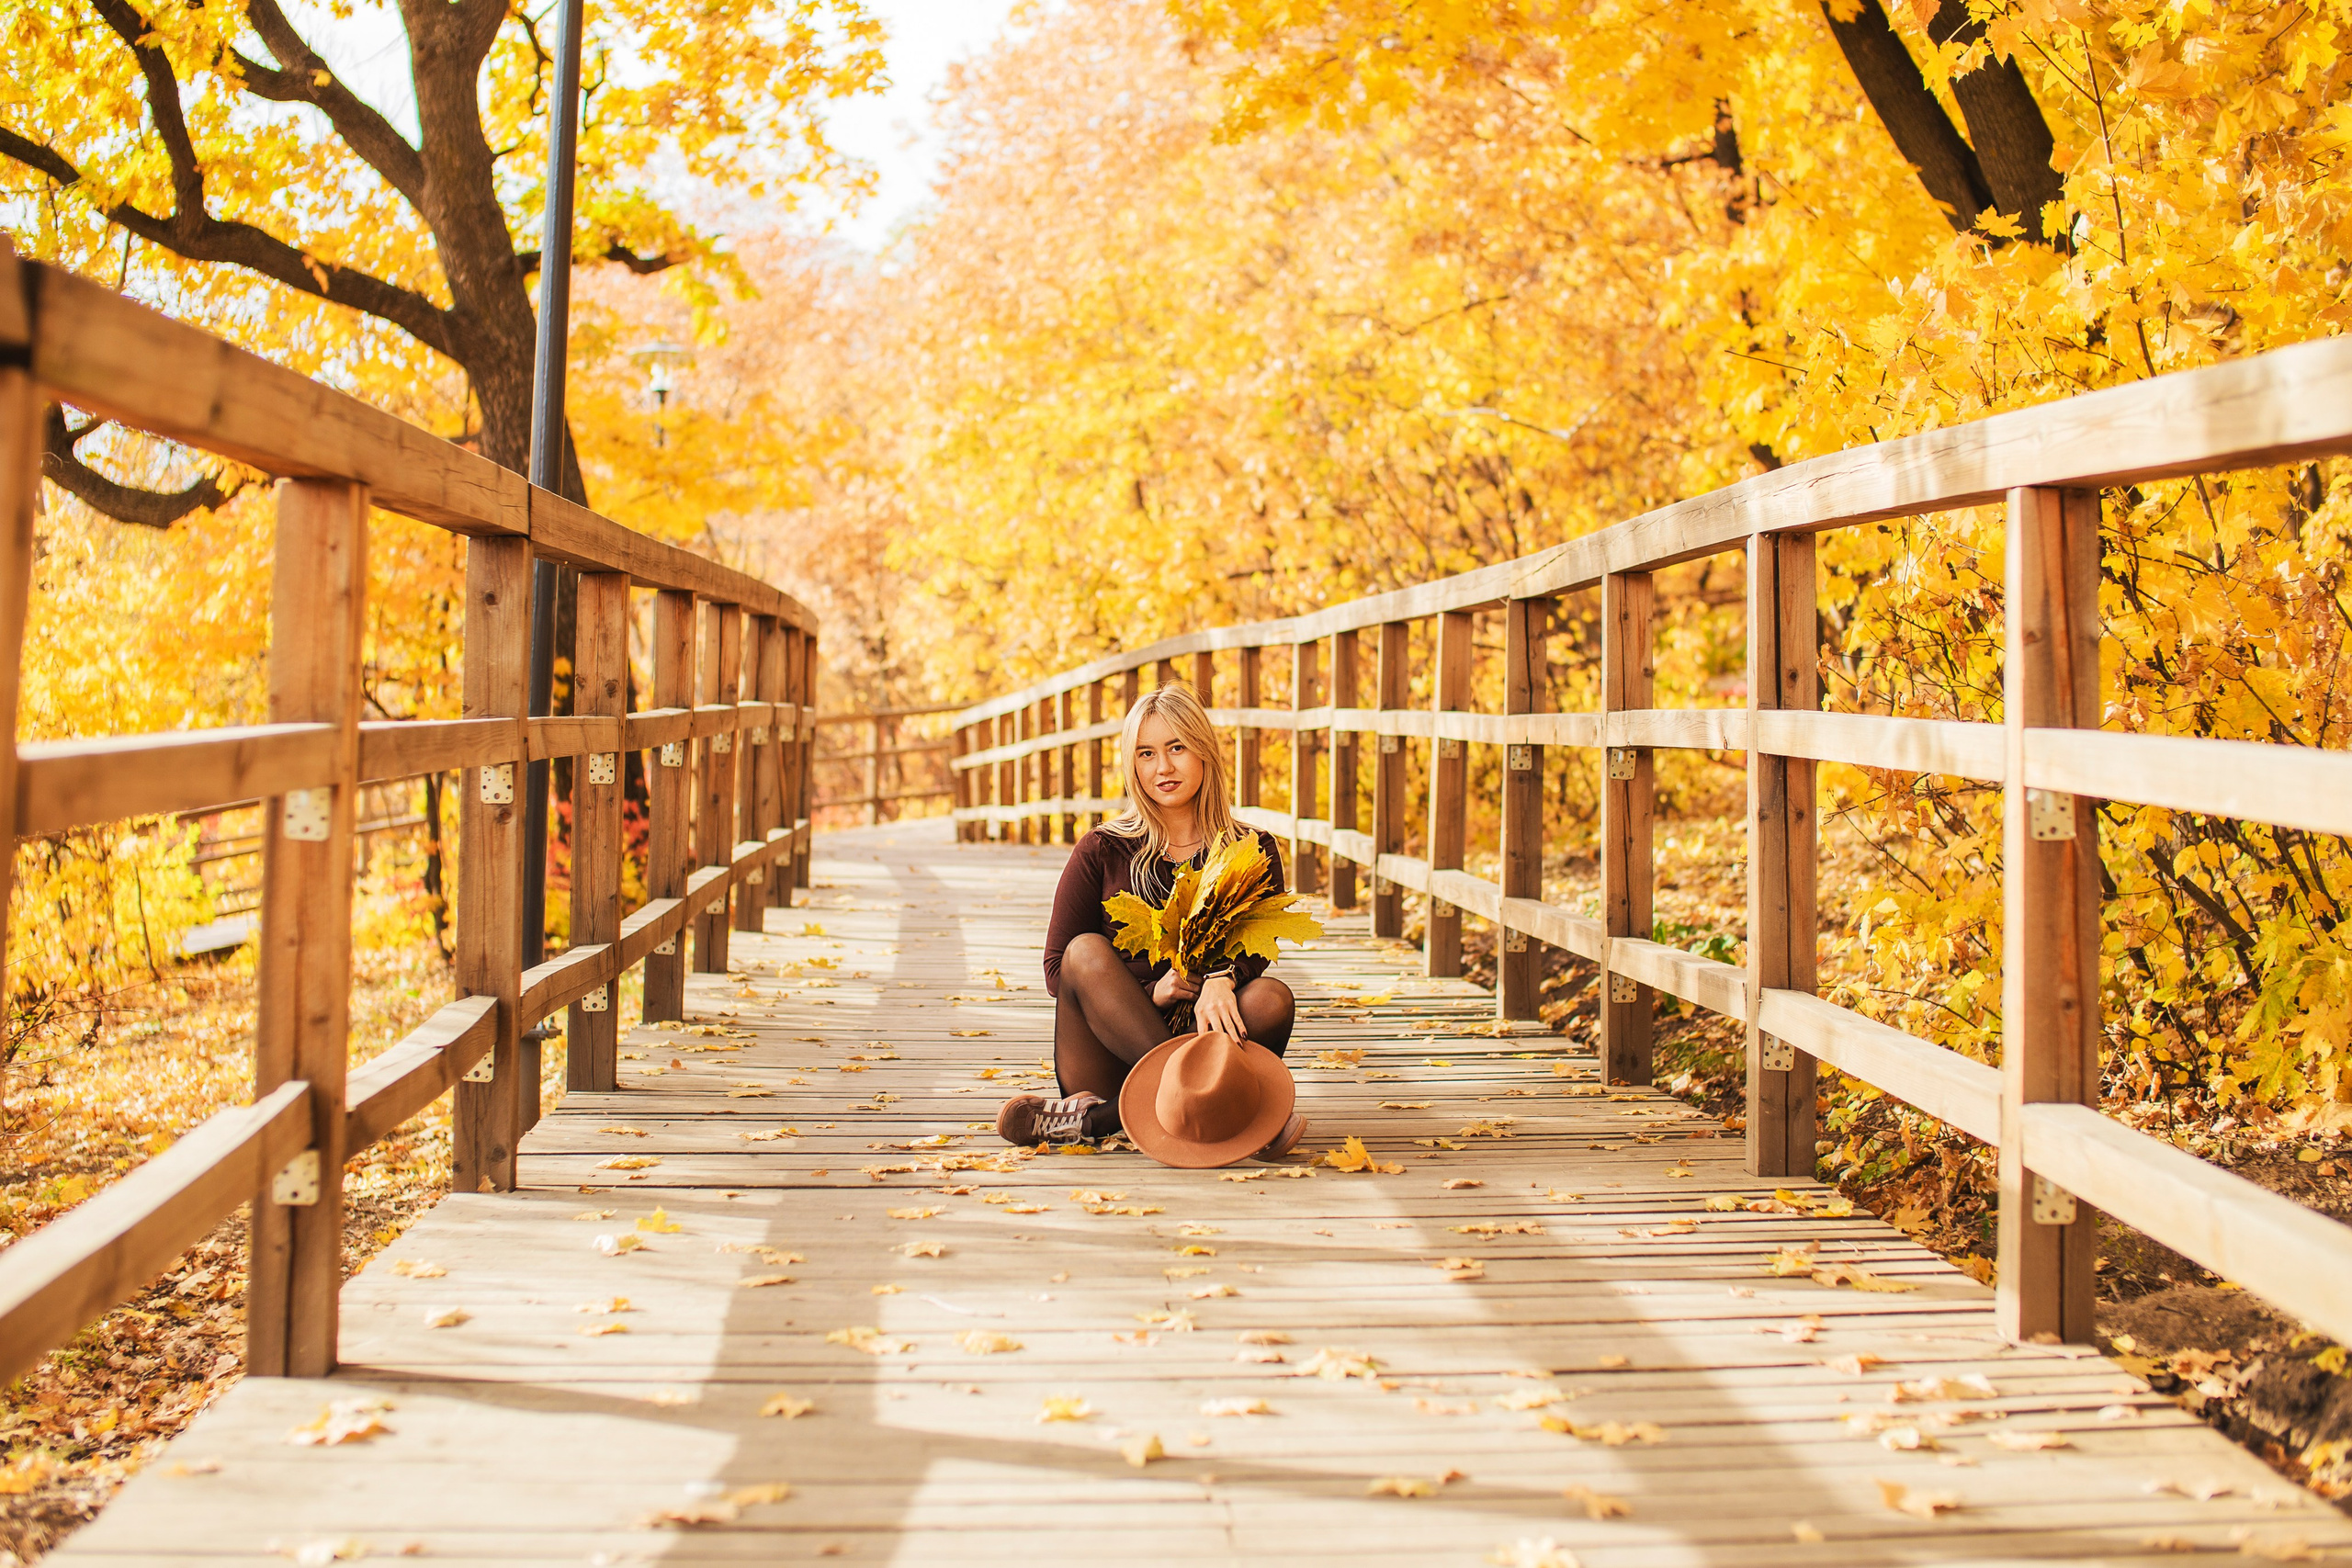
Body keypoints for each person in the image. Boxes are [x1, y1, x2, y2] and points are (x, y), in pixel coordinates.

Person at [994, 683, 1305, 1156]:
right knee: (1085, 950)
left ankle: (1100, 1119)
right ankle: (1222, 1108)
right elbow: (1059, 970)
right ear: (1132, 764)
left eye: (1176, 747)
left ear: (1204, 751)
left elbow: (1259, 946)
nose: (1163, 767)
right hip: (1110, 1052)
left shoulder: (1252, 849)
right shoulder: (1102, 849)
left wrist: (1225, 979)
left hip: (1208, 1039)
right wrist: (1149, 994)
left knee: (1271, 999)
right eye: (1145, 753)